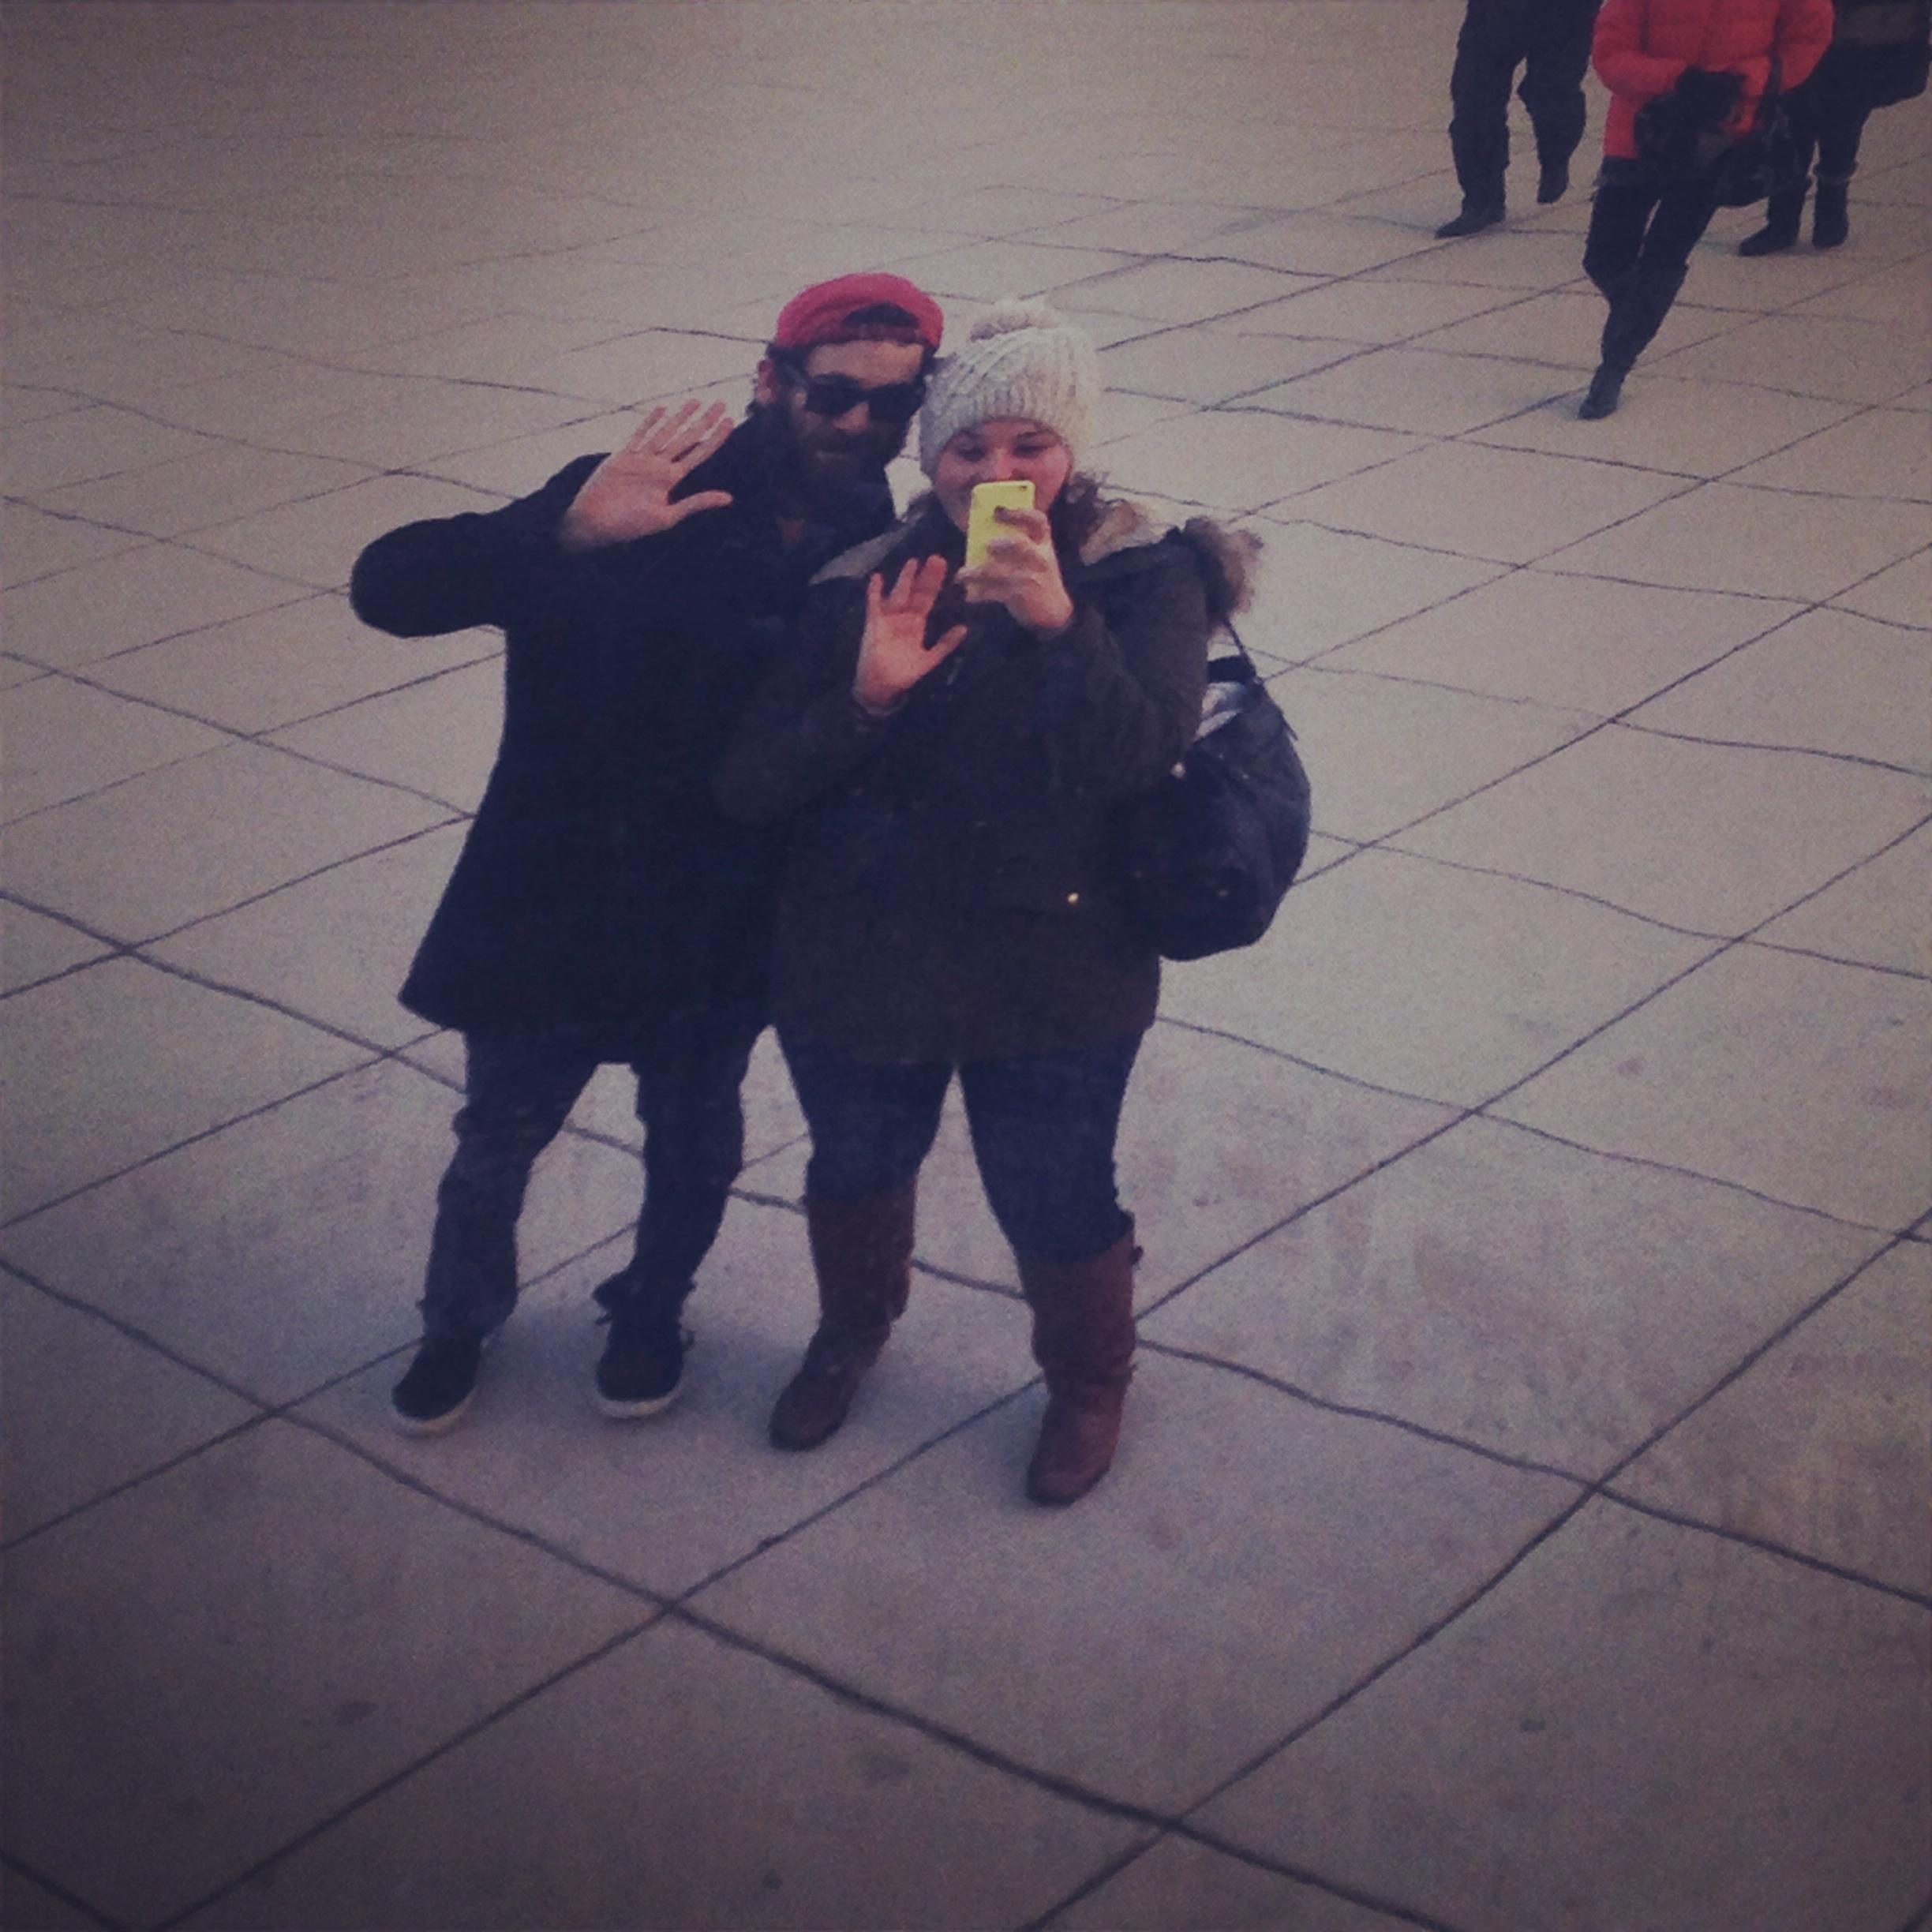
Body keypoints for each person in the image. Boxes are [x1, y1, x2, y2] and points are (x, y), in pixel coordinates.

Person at [349, 271, 945, 1435]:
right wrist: (559, 533)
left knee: (693, 1141)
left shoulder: (890, 542)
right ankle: (457, 1321)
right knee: (497, 1143)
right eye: (835, 395)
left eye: (893, 406)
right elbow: (388, 588)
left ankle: (649, 1311)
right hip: (558, 891)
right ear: (770, 381)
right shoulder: (639, 486)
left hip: (721, 912)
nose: (861, 426)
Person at [716, 301, 1256, 1506]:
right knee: (856, 1162)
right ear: (931, 457)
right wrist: (862, 699)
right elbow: (750, 785)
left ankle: (1088, 1378)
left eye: (1030, 446)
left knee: (1053, 1187)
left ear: (1072, 449)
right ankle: (852, 1329)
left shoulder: (1141, 575)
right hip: (858, 961)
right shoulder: (862, 577)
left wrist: (1061, 625)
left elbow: (1140, 754)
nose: (999, 473)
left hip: (1058, 965)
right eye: (969, 449)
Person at [1578, 0, 1833, 417]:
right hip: (1642, 129)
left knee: (1665, 255)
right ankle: (1638, 316)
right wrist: (1677, 79)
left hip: (1721, 137)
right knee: (1604, 258)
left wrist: (1747, 79)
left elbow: (1808, 39)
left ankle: (1614, 367)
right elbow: (1610, 52)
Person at [1737, 0, 1931, 253]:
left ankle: (1817, 211)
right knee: (1797, 120)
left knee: (1839, 120)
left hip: (1864, 37)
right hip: (1817, 32)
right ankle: (1803, 215)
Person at [1436, 0, 1604, 237]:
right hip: (1494, 10)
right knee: (1473, 98)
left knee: (1551, 91)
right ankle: (1481, 199)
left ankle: (1555, 156)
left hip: (1565, 10)